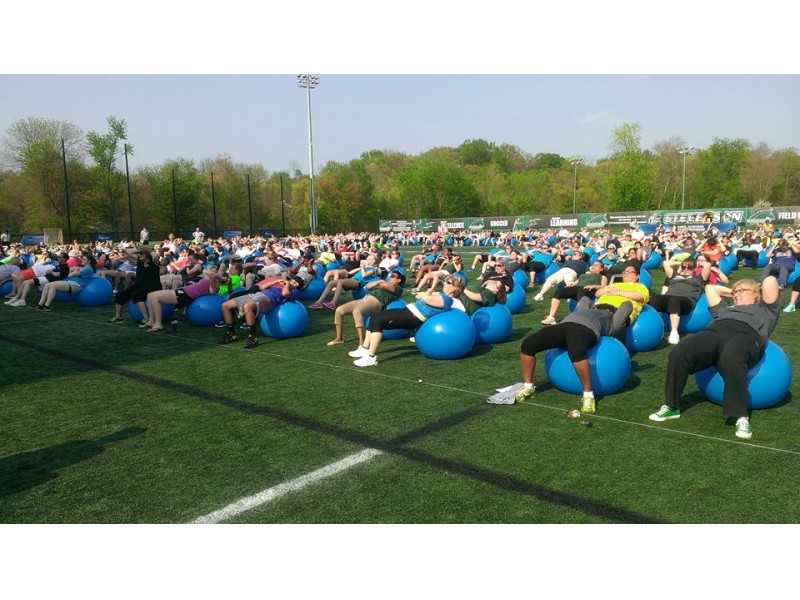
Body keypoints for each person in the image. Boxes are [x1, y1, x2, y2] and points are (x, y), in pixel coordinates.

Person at [649, 276, 781, 440]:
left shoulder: (766, 310)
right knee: (679, 351)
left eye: (741, 291)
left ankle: (741, 416)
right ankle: (671, 406)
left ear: (755, 294)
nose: (736, 294)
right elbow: (711, 288)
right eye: (734, 292)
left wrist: (754, 287)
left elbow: (770, 280)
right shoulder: (724, 308)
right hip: (715, 332)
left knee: (731, 357)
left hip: (746, 336)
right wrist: (737, 291)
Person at [509, 295, 630, 413]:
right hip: (563, 326)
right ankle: (528, 387)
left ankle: (588, 396)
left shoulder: (611, 318)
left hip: (586, 329)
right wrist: (595, 304)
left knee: (576, 351)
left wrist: (614, 301)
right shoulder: (585, 310)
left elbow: (627, 305)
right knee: (527, 345)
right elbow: (585, 299)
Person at [348, 275, 466, 367]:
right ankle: (364, 349)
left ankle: (371, 357)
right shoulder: (441, 294)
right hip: (408, 311)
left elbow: (425, 298)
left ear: (455, 288)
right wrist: (427, 293)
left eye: (448, 282)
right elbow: (421, 295)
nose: (445, 283)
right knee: (375, 317)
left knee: (378, 321)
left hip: (413, 317)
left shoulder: (447, 300)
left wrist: (425, 295)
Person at [218, 274, 305, 348]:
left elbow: (285, 294)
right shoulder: (279, 285)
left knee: (247, 306)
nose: (292, 282)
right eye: (292, 280)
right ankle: (231, 334)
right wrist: (275, 282)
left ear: (298, 286)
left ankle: (252, 337)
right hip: (256, 295)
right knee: (225, 305)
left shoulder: (295, 291)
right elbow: (261, 287)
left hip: (268, 300)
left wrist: (286, 284)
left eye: (295, 282)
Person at [326, 271, 405, 346]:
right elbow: (367, 286)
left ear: (399, 280)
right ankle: (339, 338)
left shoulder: (398, 288)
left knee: (357, 311)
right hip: (365, 299)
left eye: (393, 276)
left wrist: (381, 283)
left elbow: (384, 286)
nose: (390, 277)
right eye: (391, 275)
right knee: (339, 310)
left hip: (376, 303)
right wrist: (379, 281)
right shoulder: (382, 282)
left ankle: (361, 341)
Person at [141, 266, 227, 332]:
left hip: (185, 296)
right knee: (149, 295)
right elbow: (205, 271)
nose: (217, 272)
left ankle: (158, 324)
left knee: (154, 297)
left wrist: (222, 278)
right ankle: (151, 321)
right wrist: (216, 273)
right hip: (183, 291)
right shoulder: (209, 280)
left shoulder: (215, 287)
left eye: (220, 273)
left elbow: (212, 274)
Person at [648, 258, 711, 344]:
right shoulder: (675, 275)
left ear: (695, 268)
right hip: (668, 298)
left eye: (689, 268)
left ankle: (674, 332)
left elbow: (708, 265)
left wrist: (698, 263)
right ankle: (651, 327)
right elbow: (666, 263)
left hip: (686, 301)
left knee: (674, 300)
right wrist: (681, 263)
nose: (686, 269)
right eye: (684, 267)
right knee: (654, 298)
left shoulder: (699, 279)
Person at [540, 259, 607, 325]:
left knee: (582, 295)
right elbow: (576, 283)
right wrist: (572, 284)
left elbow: (604, 286)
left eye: (596, 265)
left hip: (589, 290)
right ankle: (551, 317)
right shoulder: (583, 275)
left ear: (601, 269)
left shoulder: (602, 276)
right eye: (593, 265)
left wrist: (594, 286)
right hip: (577, 288)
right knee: (559, 292)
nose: (593, 266)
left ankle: (583, 319)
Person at [108, 245, 162, 325]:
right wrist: (138, 250)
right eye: (138, 253)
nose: (139, 255)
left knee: (135, 295)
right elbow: (128, 251)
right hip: (139, 285)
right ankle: (118, 317)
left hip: (152, 286)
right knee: (120, 295)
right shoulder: (140, 262)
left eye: (141, 253)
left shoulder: (153, 262)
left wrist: (147, 251)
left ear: (147, 254)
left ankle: (146, 318)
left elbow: (156, 255)